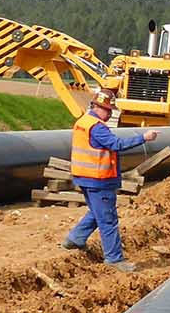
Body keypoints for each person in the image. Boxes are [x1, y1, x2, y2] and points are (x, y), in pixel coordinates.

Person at [64, 87, 159, 271]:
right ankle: (115, 259)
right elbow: (116, 144)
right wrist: (144, 138)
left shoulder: (83, 121)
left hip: (85, 178)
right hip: (99, 179)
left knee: (96, 212)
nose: (110, 115)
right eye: (109, 111)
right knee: (108, 219)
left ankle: (74, 239)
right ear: (99, 107)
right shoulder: (97, 127)